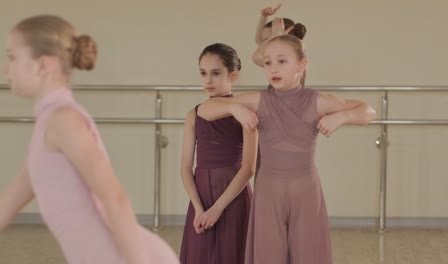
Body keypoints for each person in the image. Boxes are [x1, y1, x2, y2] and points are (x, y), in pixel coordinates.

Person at [0, 14, 179, 264]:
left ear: (42, 65)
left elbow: (114, 196)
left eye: (12, 57)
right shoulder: (48, 125)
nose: (7, 69)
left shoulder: (63, 119)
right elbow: (8, 202)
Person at [198, 34, 376, 264]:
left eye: (282, 61)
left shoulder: (317, 101)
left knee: (308, 255)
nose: (274, 68)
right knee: (268, 256)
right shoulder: (259, 100)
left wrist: (343, 116)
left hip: (305, 192)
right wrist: (234, 108)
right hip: (268, 193)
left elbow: (368, 110)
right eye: (268, 62)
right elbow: (205, 109)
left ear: (302, 64)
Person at [180, 43, 257, 264]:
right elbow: (185, 168)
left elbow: (249, 167)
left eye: (216, 73)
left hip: (233, 195)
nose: (208, 80)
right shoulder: (193, 114)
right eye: (203, 73)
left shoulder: (245, 112)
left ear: (233, 75)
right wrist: (198, 207)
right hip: (201, 196)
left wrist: (218, 208)